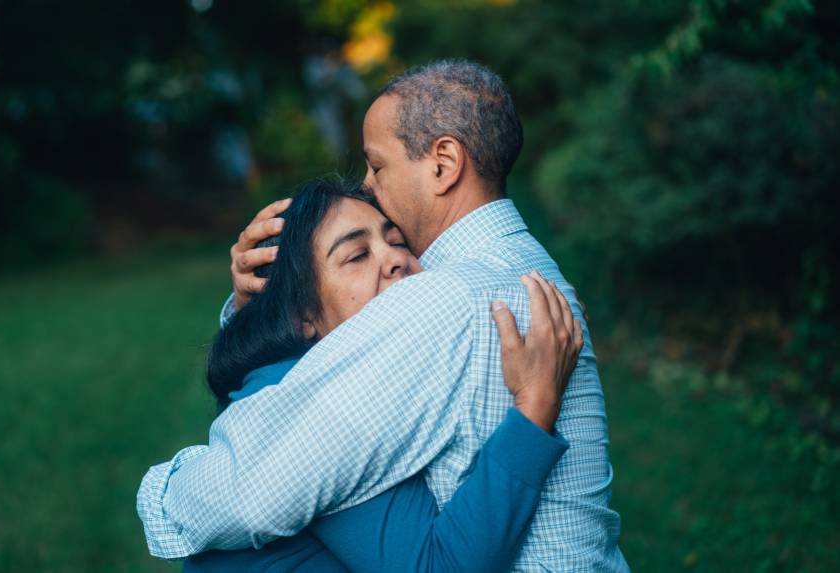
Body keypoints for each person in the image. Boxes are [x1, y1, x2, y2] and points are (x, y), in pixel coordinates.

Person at [138, 59, 628, 571]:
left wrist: (165, 489)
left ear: (443, 163)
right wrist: (256, 306)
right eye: (356, 253)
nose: (369, 185)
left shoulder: (442, 299)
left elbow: (248, 492)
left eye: (377, 165)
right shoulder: (534, 274)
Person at [182, 179, 579, 571]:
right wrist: (534, 407)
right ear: (302, 316)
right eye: (357, 255)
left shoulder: (326, 374)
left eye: (398, 241)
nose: (394, 259)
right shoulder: (321, 410)